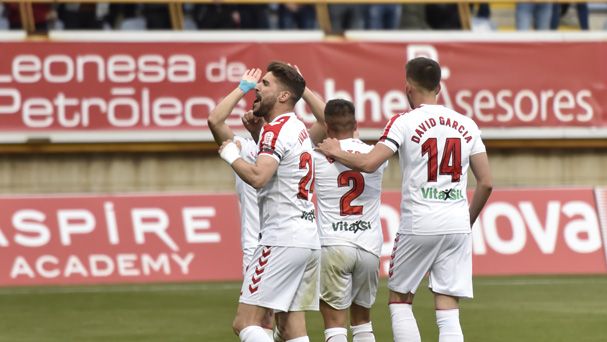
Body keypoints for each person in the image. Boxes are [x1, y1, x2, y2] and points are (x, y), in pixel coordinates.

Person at [317, 57, 493, 342]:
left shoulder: (403, 122)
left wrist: (336, 151)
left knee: (400, 299)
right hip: (457, 223)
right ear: (439, 86)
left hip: (419, 221)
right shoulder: (467, 124)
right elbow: (486, 181)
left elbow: (370, 163)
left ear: (408, 87)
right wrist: (467, 219)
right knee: (448, 306)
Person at [218, 62, 321, 342]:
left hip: (281, 238)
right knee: (290, 328)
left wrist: (231, 155)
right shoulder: (297, 127)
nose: (257, 89)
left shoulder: (275, 130)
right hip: (308, 239)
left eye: (265, 84)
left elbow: (259, 177)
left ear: (284, 96)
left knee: (246, 323)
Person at [313, 99, 387, 342]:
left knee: (335, 325)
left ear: (326, 127)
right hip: (369, 247)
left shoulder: (316, 157)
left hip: (334, 243)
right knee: (363, 320)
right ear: (356, 124)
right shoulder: (377, 155)